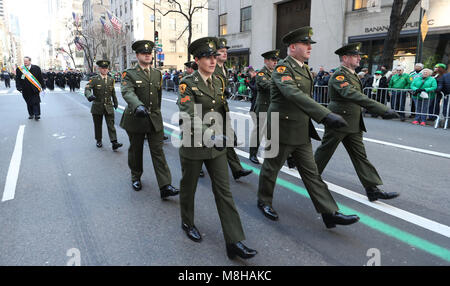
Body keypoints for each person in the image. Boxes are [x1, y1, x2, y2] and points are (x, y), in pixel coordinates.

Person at [257, 27, 360, 228]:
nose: (309, 48)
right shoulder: (282, 69)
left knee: (312, 173)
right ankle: (264, 201)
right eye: (305, 44)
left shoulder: (304, 68)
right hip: (281, 126)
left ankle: (329, 212)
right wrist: (325, 115)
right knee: (271, 168)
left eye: (310, 44)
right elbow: (293, 94)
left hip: (301, 128)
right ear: (293, 47)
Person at [177, 37, 257, 260]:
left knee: (224, 192)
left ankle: (234, 241)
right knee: (189, 187)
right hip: (194, 144)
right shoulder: (187, 83)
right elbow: (189, 115)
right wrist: (213, 135)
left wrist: (229, 135)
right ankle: (187, 221)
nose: (213, 61)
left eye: (214, 56)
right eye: (207, 57)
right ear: (197, 60)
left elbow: (222, 112)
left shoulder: (219, 82)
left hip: (217, 146)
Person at [314, 42, 400, 202]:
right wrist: (381, 109)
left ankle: (372, 189)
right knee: (325, 151)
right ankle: (310, 178)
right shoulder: (339, 75)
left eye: (359, 56)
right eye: (355, 56)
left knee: (360, 156)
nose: (359, 58)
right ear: (345, 58)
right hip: (339, 120)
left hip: (353, 122)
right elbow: (352, 94)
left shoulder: (352, 74)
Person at [119, 40, 179, 198]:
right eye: (144, 53)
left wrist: (157, 113)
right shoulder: (129, 73)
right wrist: (137, 106)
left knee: (158, 152)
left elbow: (157, 97)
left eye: (149, 53)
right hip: (135, 118)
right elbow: (127, 92)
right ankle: (135, 177)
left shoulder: (157, 74)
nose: (147, 55)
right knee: (136, 150)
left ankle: (165, 185)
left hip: (153, 119)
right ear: (137, 55)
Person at [214, 37, 253, 181]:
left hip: (222, 109)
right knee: (207, 140)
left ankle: (236, 169)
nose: (225, 54)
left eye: (226, 51)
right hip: (212, 111)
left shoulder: (224, 68)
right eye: (221, 51)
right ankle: (195, 166)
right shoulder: (212, 67)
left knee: (227, 139)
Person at [249, 49, 279, 164]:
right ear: (266, 61)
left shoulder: (275, 73)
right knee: (258, 132)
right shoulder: (262, 73)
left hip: (273, 106)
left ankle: (277, 154)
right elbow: (267, 85)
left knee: (274, 132)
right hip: (263, 106)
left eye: (276, 60)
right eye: (272, 60)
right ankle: (252, 154)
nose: (275, 62)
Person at [84, 60, 123, 151]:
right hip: (97, 106)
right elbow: (87, 89)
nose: (105, 70)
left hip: (108, 106)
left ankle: (114, 142)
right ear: (99, 69)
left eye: (106, 68)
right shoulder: (94, 79)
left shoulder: (111, 80)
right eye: (103, 68)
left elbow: (113, 92)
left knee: (111, 125)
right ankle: (98, 140)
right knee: (98, 125)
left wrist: (116, 102)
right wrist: (89, 96)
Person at [15, 56, 45, 120]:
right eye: (24, 61)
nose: (25, 62)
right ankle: (31, 114)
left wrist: (43, 86)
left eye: (26, 61)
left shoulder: (36, 68)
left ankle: (37, 114)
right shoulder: (20, 69)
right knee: (29, 102)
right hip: (25, 89)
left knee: (36, 102)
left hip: (35, 88)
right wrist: (19, 87)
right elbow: (17, 79)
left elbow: (40, 78)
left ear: (30, 61)